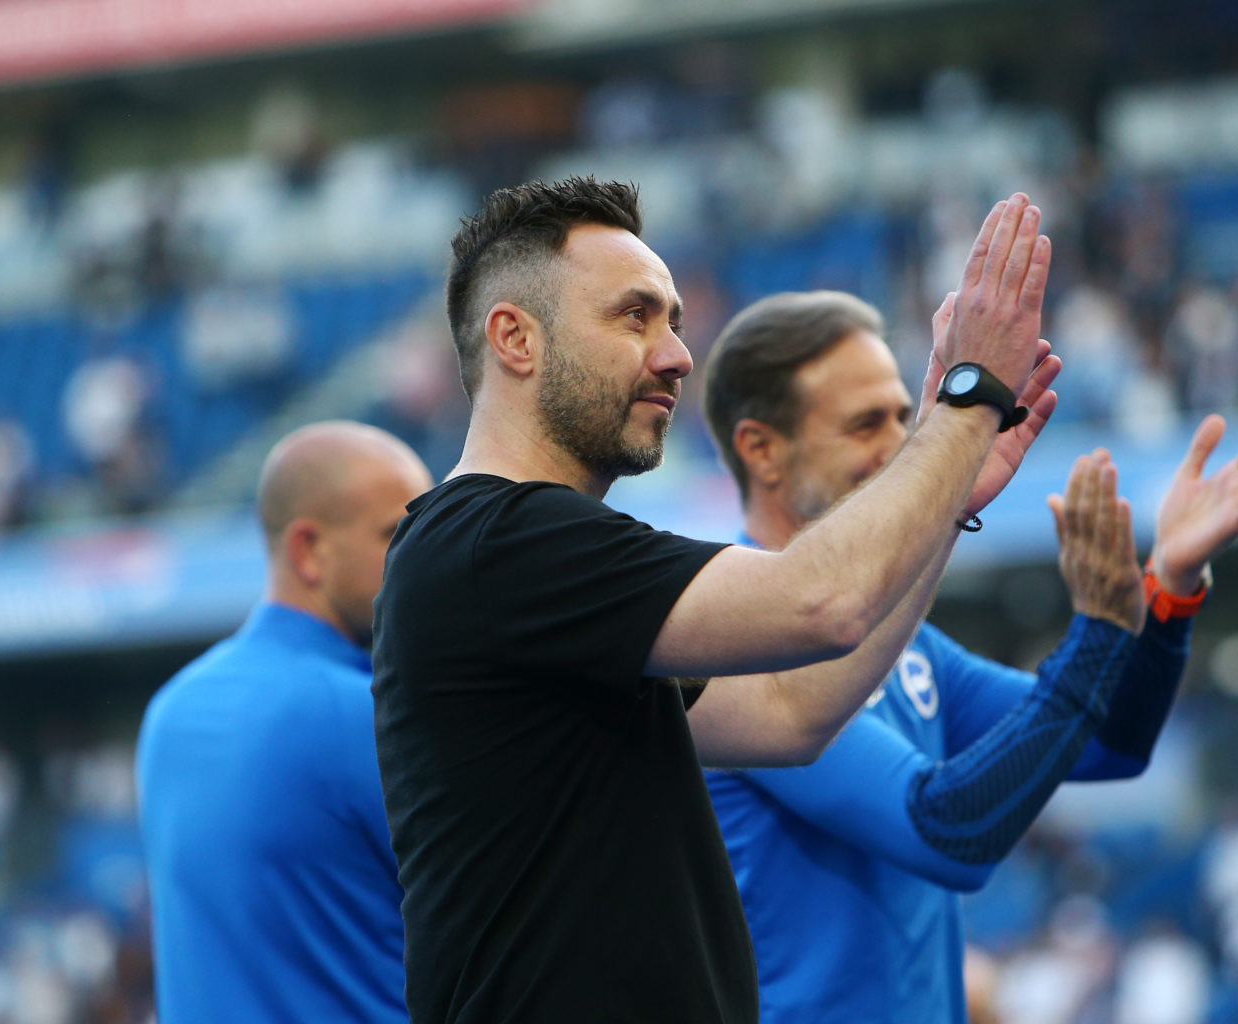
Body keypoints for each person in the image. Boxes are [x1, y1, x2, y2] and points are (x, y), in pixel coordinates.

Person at [371, 177, 1061, 1024]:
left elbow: (790, 711)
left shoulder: (532, 570)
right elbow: (822, 603)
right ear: (515, 337)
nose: (676, 355)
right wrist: (964, 400)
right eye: (633, 316)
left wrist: (947, 501)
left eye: (674, 321)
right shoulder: (495, 541)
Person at [699, 289, 1238, 1024]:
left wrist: (1168, 589)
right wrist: (1098, 630)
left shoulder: (907, 648)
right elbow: (947, 831)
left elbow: (1109, 742)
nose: (898, 449)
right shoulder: (738, 640)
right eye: (862, 425)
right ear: (761, 449)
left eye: (901, 417)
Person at [136, 421, 433, 1024]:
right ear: (308, 550)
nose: (424, 565)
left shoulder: (169, 712)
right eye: (397, 536)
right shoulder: (373, 717)